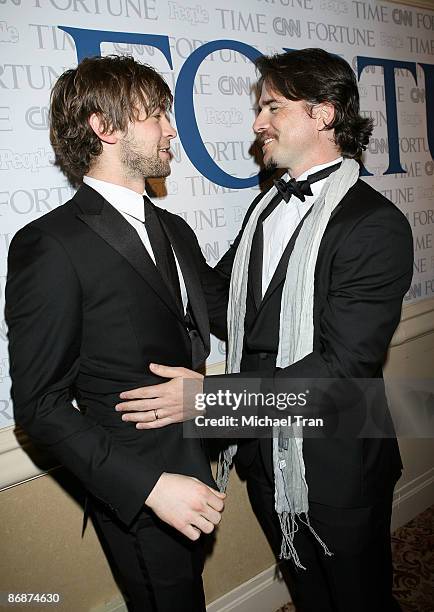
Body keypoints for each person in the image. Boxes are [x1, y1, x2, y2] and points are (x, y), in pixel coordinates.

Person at [115, 49, 413, 611]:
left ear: (323, 113)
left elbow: (343, 369)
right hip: (266, 454)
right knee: (309, 594)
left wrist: (211, 400)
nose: (258, 123)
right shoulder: (263, 210)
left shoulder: (374, 226)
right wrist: (146, 220)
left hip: (335, 461)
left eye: (272, 106)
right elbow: (220, 294)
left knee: (358, 600)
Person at [5, 54, 227, 612]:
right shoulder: (49, 245)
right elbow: (40, 406)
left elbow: (225, 313)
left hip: (197, 465)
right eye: (156, 114)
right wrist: (152, 487)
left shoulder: (174, 228)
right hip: (137, 491)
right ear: (105, 128)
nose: (173, 129)